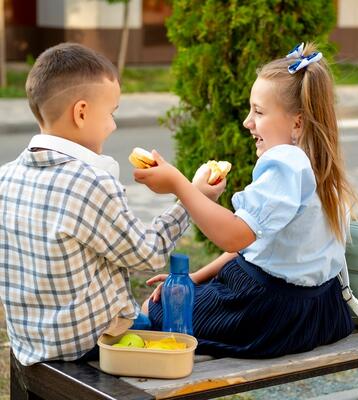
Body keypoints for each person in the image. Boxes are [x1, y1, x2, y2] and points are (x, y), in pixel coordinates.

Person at [134, 42, 358, 358]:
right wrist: (195, 277)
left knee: (155, 310)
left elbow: (234, 235)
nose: (247, 122)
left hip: (263, 313)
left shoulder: (286, 162)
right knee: (183, 294)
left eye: (258, 112)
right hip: (320, 311)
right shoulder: (319, 165)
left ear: (297, 123)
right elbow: (253, 247)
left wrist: (180, 185)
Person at [0, 42, 224, 366]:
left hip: (31, 342)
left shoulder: (6, 177)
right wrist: (192, 197)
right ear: (81, 113)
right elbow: (148, 255)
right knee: (180, 324)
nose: (114, 125)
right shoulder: (91, 181)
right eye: (111, 113)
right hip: (88, 343)